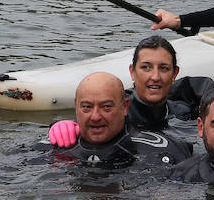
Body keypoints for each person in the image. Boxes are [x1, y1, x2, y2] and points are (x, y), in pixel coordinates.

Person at [46, 35, 184, 146]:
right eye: (146, 67)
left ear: (174, 74)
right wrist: (61, 126)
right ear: (132, 71)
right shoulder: (113, 110)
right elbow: (87, 118)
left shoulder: (183, 111)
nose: (155, 77)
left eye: (164, 68)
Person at [49, 72, 192, 168]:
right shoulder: (56, 147)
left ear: (124, 107)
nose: (95, 117)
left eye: (106, 107)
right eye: (87, 107)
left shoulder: (164, 150)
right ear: (76, 107)